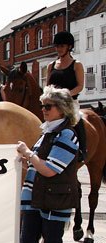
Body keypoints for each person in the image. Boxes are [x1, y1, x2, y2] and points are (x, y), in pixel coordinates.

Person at [16, 86, 80, 243]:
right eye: (42, 106)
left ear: (62, 108)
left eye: (48, 106)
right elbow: (37, 164)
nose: (43, 110)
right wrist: (24, 160)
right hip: (35, 198)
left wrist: (29, 154)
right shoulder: (47, 132)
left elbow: (50, 169)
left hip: (54, 201)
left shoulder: (66, 134)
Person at [47, 31, 86, 161]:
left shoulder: (77, 65)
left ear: (69, 47)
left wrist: (65, 94)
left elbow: (80, 86)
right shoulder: (51, 66)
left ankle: (82, 150)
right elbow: (48, 86)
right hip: (53, 103)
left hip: (70, 102)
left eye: (61, 46)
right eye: (57, 46)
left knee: (77, 119)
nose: (58, 49)